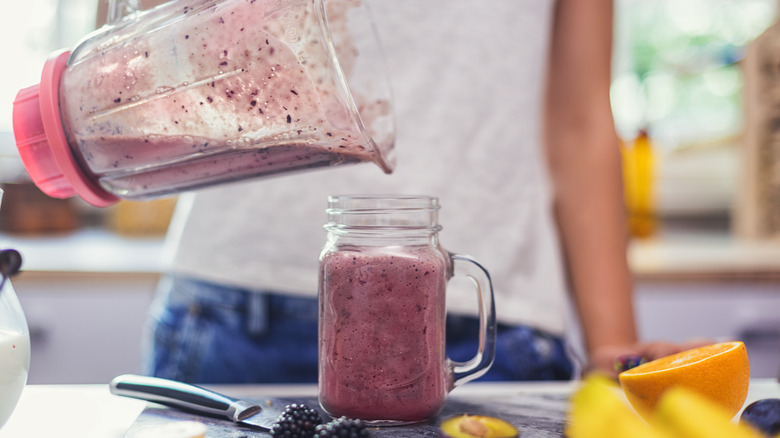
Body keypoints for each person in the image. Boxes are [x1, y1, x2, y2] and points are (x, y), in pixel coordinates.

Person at [140, 0, 701, 384]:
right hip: (236, 312)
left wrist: (617, 350)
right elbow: (151, 47)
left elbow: (579, 125)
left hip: (485, 334)